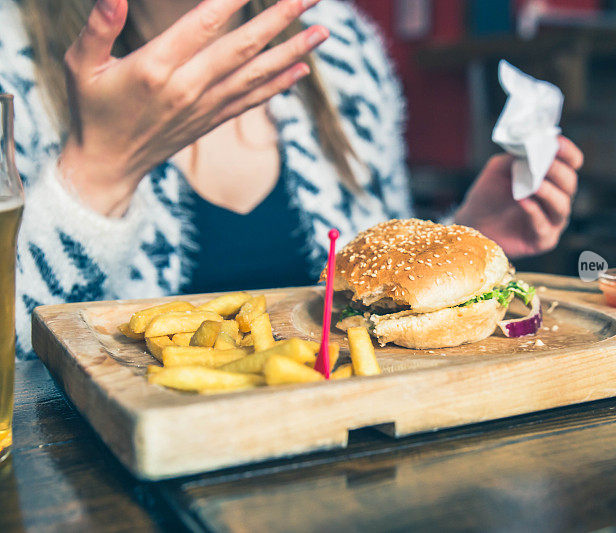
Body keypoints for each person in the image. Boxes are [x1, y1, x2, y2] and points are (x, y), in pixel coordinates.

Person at [0, 0, 583, 358]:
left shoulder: (341, 45)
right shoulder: (11, 55)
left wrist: (464, 237)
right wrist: (97, 174)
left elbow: (375, 301)